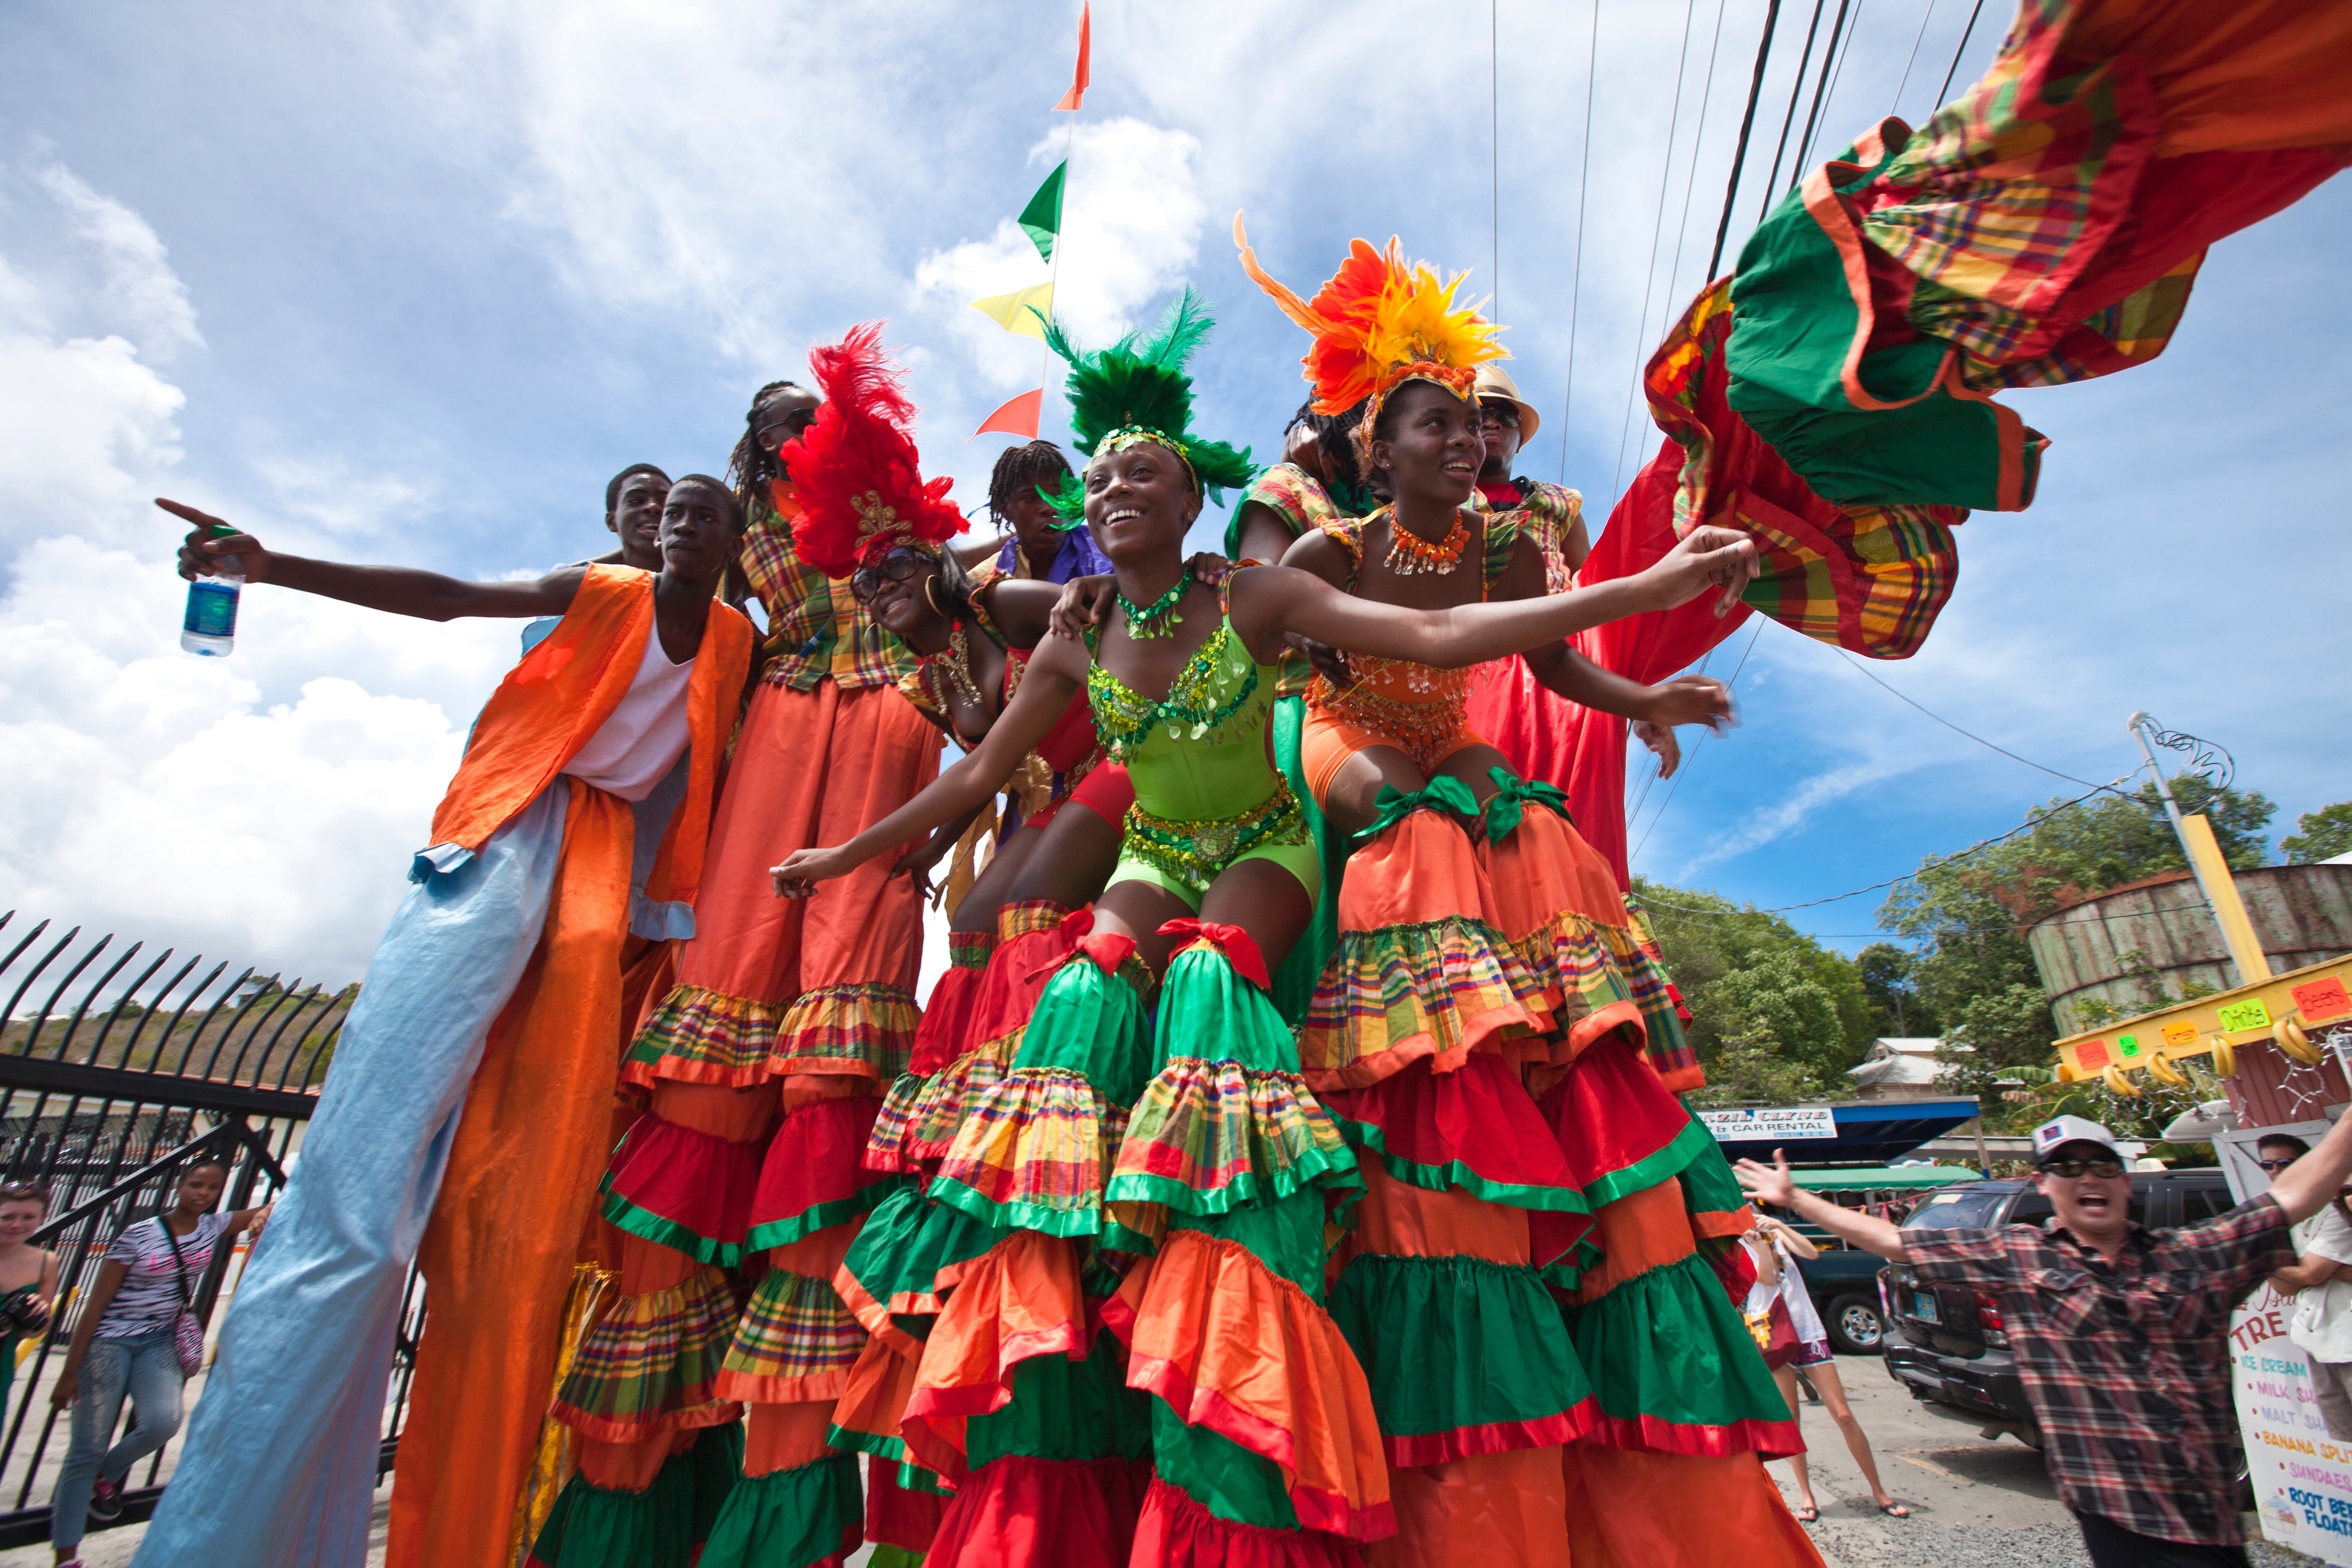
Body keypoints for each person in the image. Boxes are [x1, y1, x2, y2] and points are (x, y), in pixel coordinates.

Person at [775, 286, 1760, 1565]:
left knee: (1214, 976)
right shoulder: (1077, 635)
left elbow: (1443, 631)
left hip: (1261, 840)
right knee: (1079, 993)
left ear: (1197, 510)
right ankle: (1082, 1265)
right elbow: (970, 777)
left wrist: (1642, 605)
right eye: (1106, 479)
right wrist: (846, 853)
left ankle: (1238, 1294)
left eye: (1151, 477)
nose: (1121, 488)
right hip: (1154, 843)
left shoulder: (1259, 594)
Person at [1237, 222, 1814, 1568]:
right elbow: (1427, 645)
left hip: (1451, 746)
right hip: (1342, 752)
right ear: (1377, 452)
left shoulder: (1503, 546)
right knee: (1408, 820)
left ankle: (1528, 1104)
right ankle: (1411, 1083)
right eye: (1435, 426)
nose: (1466, 444)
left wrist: (1642, 691)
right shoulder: (1319, 560)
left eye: (1471, 426)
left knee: (1520, 825)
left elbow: (1550, 668)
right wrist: (1652, 580)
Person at [137, 480, 755, 1568]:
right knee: (361, 1215)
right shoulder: (603, 591)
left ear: (737, 538)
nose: (680, 526)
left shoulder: (739, 641)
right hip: (513, 826)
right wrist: (268, 565)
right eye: (665, 514)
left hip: (610, 888)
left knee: (523, 1221)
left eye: (703, 513)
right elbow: (445, 597)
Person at [1738, 1112, 2352, 1568]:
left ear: (2125, 1180)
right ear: (2044, 1183)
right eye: (2067, 1168)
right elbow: (1899, 1244)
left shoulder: (2190, 1256)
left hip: (2210, 1520)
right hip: (2115, 1518)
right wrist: (1797, 1200)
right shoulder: (2019, 1255)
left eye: (2102, 1165)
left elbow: (2293, 1197)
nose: (2088, 1178)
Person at [49, 1158, 267, 1568]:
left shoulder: (212, 1226)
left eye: (212, 1187)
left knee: (163, 1422)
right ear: (179, 1185)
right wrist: (68, 1372)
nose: (202, 1193)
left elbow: (275, 1205)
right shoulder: (140, 1234)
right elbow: (95, 1304)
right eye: (195, 1184)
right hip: (109, 1342)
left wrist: (268, 1211)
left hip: (159, 1341)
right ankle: (66, 1556)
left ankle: (107, 1473)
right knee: (85, 1448)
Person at [1742, 1213, 1907, 1521]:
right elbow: (1765, 1278)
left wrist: (1778, 1227)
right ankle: (1807, 1496)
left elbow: (1811, 1252)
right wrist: (1756, 1243)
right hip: (1772, 1332)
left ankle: (1879, 1492)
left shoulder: (1771, 1232)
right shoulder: (1739, 1243)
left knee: (1843, 1413)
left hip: (1807, 1329)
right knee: (1792, 1417)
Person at [2260, 1132, 2352, 1440]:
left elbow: (2311, 1273)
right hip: (2316, 1340)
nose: (2276, 1171)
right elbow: (2286, 1287)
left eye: (2285, 1162)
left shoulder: (2337, 1207)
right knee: (2345, 1439)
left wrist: (2263, 1255)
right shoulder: (2289, 1218)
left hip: (2347, 1339)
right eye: (2268, 1165)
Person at [964, 440, 1113, 583]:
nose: (1049, 508)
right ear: (1006, 511)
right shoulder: (986, 578)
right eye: (1031, 498)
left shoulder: (1110, 550)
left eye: (1059, 495)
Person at [0, 1182, 58, 1415]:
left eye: (28, 1217)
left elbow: (34, 1333)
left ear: (43, 1218)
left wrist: (36, 1316)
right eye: (7, 1217)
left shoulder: (47, 1262)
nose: (17, 1225)